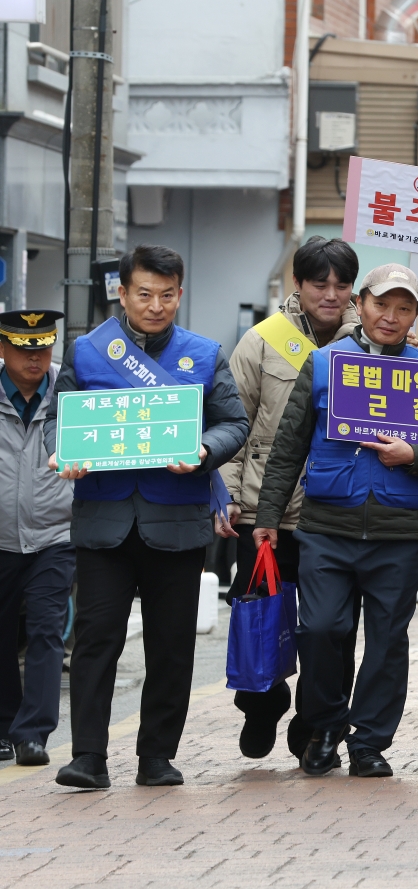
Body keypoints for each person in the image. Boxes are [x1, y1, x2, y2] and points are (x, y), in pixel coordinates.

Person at [52, 245, 250, 789]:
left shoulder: (205, 353)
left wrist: (205, 451)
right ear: (123, 292)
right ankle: (88, 756)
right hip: (104, 520)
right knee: (96, 639)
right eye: (144, 294)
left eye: (167, 295)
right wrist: (61, 451)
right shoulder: (89, 350)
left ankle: (157, 755)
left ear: (180, 295)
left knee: (171, 643)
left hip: (177, 521)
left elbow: (234, 423)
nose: (155, 305)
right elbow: (58, 418)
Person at [252, 264, 418, 778]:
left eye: (404, 308)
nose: (391, 316)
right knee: (319, 629)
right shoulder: (324, 364)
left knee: (387, 640)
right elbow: (288, 446)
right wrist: (268, 516)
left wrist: (415, 456)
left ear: (415, 316)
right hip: (325, 526)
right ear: (361, 303)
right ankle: (324, 726)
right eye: (382, 304)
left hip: (398, 531)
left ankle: (369, 742)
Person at [217, 236, 361, 762]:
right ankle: (262, 703)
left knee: (327, 631)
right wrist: (229, 496)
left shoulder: (370, 348)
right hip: (263, 512)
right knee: (258, 618)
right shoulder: (260, 342)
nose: (330, 294)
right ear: (297, 284)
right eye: (319, 283)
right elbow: (233, 425)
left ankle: (314, 724)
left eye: (341, 285)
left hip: (335, 514)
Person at [0, 309, 74, 768]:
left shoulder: (69, 399)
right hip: (1, 539)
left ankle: (33, 734)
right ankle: (4, 723)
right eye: (25, 350)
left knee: (47, 631)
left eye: (44, 350)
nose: (36, 360)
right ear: (3, 349)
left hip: (54, 535)